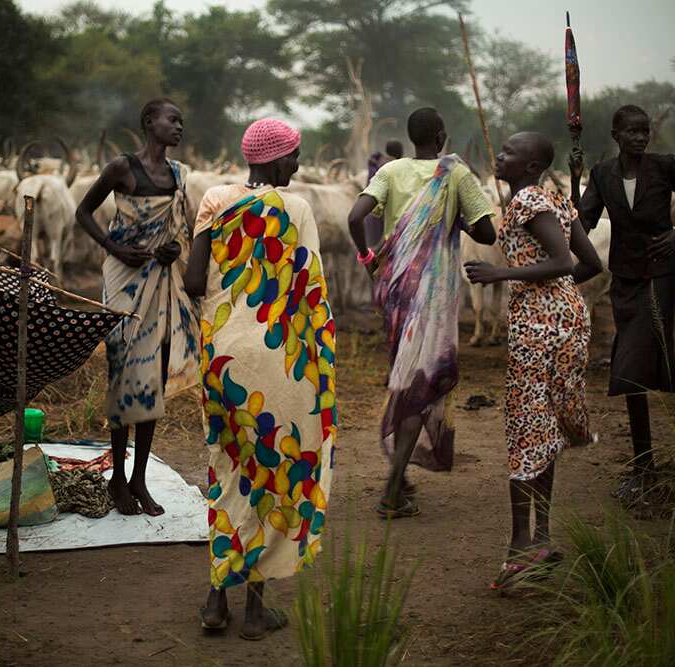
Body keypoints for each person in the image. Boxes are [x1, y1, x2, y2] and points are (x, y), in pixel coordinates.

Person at [184, 118, 335, 640]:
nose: (296, 165)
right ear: (273, 159)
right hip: (276, 360)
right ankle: (253, 612)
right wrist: (320, 364)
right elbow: (311, 291)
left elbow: (192, 280)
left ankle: (213, 601)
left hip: (223, 357)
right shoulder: (296, 209)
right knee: (273, 473)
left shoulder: (214, 199)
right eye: (293, 156)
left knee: (228, 470)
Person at [465, 132, 603, 590]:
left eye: (508, 152)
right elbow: (591, 265)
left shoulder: (527, 200)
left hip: (540, 324)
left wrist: (503, 274)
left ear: (529, 167)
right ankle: (539, 537)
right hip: (566, 317)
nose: (499, 155)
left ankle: (520, 545)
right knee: (542, 426)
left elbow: (564, 260)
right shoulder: (556, 200)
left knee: (526, 425)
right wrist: (559, 295)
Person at [347, 107, 496, 518]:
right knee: (420, 385)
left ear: (412, 138)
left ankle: (401, 476)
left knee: (406, 378)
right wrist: (454, 216)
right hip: (430, 297)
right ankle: (393, 489)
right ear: (443, 134)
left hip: (394, 290)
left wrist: (366, 255)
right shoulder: (456, 174)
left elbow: (355, 215)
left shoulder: (390, 171)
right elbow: (487, 232)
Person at [572, 105, 675, 504]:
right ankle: (643, 463)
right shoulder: (603, 174)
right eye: (631, 131)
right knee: (631, 365)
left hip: (660, 272)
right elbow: (582, 222)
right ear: (616, 135)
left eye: (644, 131)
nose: (639, 137)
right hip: (625, 276)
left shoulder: (665, 166)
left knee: (631, 364)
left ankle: (644, 464)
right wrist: (577, 179)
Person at [75, 98, 201, 516]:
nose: (179, 126)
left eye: (181, 120)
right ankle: (116, 478)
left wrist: (172, 249)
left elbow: (181, 228)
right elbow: (84, 211)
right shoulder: (121, 168)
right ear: (150, 123)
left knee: (153, 377)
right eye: (172, 119)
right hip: (124, 279)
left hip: (162, 283)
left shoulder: (179, 174)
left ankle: (139, 479)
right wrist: (114, 247)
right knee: (123, 372)